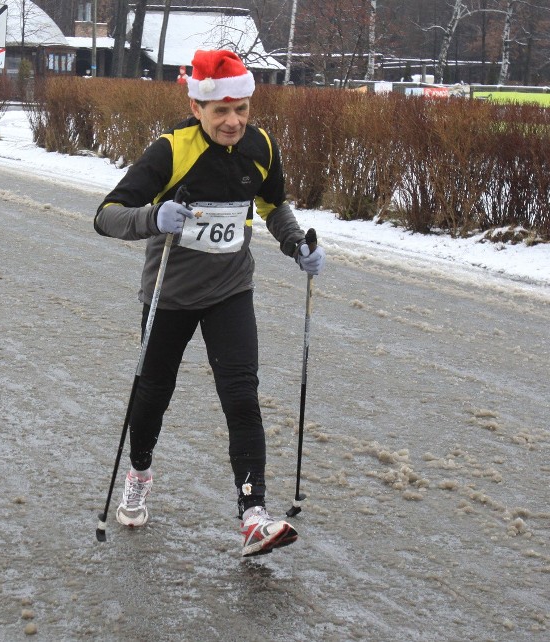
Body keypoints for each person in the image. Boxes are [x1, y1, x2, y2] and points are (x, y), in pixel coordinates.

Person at [94, 49, 325, 557]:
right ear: (198, 108)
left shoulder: (260, 146)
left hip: (229, 291)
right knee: (153, 393)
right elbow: (107, 213)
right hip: (170, 296)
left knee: (242, 395)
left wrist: (296, 245)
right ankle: (139, 472)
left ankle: (253, 514)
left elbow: (271, 204)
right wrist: (152, 220)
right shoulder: (171, 149)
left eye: (241, 108)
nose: (233, 120)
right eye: (221, 110)